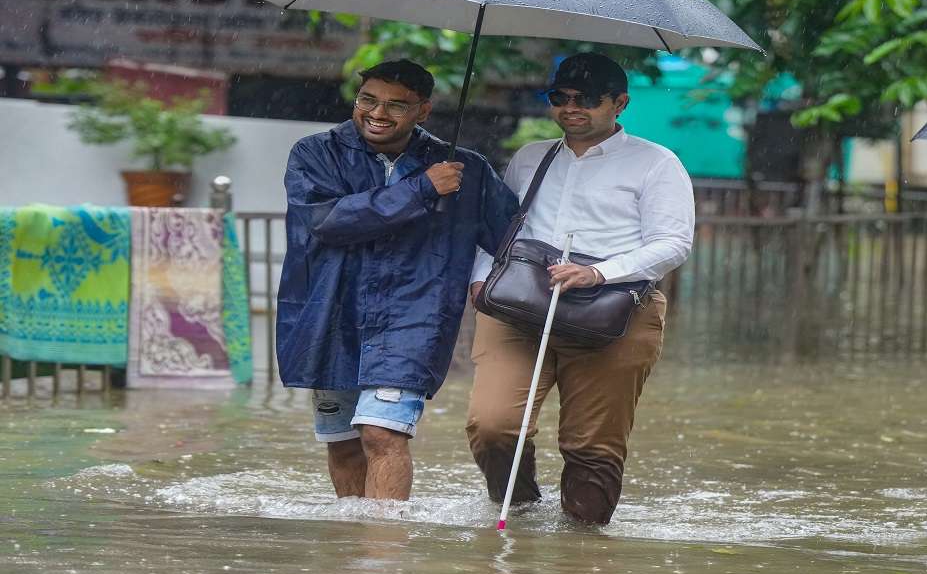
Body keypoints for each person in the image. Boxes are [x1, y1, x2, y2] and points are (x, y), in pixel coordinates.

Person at [465, 52, 695, 524]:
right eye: (561, 97)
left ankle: (584, 553)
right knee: (493, 427)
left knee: (591, 446)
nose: (572, 107)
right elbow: (502, 229)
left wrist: (599, 272)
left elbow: (674, 243)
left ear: (620, 103)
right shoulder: (532, 157)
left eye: (587, 99)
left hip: (615, 313)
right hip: (520, 307)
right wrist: (479, 278)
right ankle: (522, 516)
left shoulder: (656, 163)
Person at [277, 59, 517, 500]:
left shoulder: (465, 169)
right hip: (332, 314)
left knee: (382, 435)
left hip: (415, 317)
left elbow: (512, 239)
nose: (378, 113)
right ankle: (351, 549)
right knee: (345, 445)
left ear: (423, 111)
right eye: (368, 99)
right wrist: (422, 189)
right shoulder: (315, 154)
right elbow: (328, 220)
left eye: (396, 105)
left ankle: (382, 562)